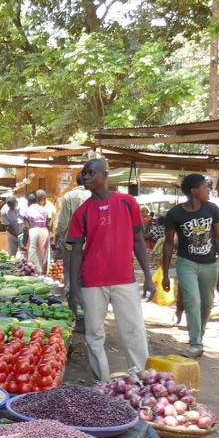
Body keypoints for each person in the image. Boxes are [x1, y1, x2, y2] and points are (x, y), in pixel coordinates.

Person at [66, 159, 155, 382]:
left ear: (105, 174)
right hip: (92, 282)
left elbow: (138, 242)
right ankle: (102, 384)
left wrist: (148, 277)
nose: (85, 177)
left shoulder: (127, 202)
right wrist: (73, 289)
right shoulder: (82, 212)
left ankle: (141, 382)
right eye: (83, 174)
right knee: (94, 335)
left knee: (134, 332)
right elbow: (76, 252)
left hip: (125, 279)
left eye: (89, 173)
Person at [161, 174, 219, 358]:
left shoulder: (212, 209)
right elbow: (168, 243)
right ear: (194, 191)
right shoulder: (175, 214)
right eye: (205, 187)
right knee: (193, 300)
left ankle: (199, 333)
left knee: (207, 304)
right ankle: (196, 343)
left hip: (209, 263)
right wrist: (165, 274)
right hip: (186, 262)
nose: (209, 190)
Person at [54, 184, 92, 301]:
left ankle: (71, 300)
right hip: (90, 243)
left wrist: (58, 236)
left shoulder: (69, 196)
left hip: (71, 242)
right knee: (86, 272)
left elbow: (63, 221)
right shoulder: (93, 195)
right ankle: (85, 301)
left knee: (69, 271)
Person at [23, 192, 51, 274]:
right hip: (44, 231)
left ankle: (34, 272)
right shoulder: (44, 209)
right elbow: (48, 224)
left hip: (33, 231)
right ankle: (44, 272)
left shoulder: (27, 210)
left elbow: (26, 227)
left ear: (28, 201)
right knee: (44, 252)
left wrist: (23, 243)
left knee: (32, 251)